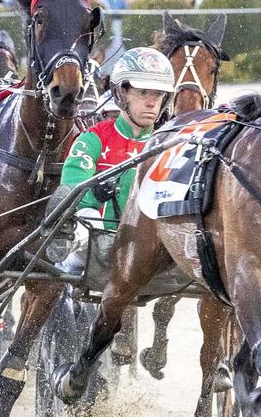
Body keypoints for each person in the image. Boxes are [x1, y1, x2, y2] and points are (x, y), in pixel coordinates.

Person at [46, 47, 175, 273]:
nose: (152, 102)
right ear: (121, 94)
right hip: (94, 245)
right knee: (88, 216)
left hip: (147, 245)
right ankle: (64, 244)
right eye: (143, 92)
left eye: (159, 94)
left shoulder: (169, 145)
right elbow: (70, 192)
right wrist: (94, 193)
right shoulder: (92, 139)